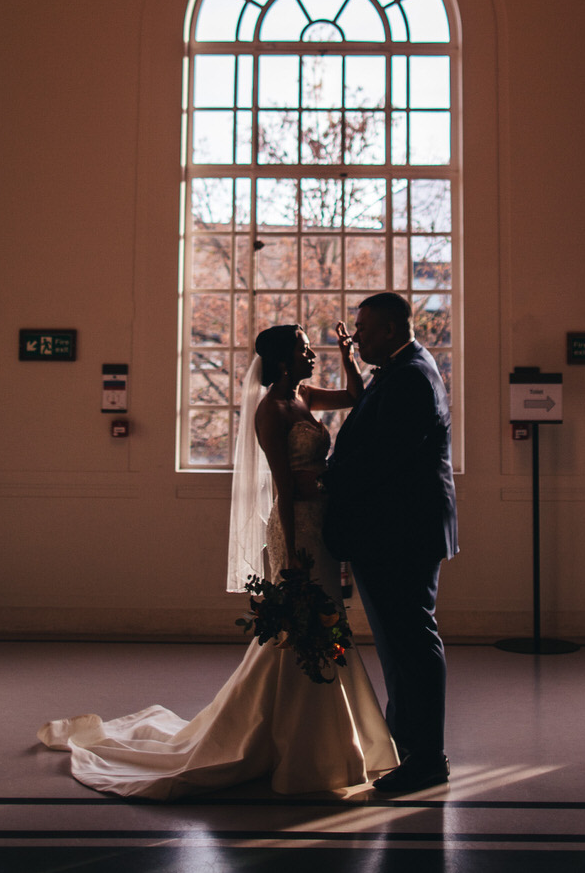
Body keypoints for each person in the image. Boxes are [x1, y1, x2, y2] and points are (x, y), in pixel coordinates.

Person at [36, 324, 397, 798]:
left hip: (325, 526)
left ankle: (331, 732)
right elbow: (283, 488)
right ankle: (300, 737)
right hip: (298, 529)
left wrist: (348, 356)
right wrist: (291, 555)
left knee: (328, 621)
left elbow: (353, 395)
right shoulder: (271, 411)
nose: (312, 355)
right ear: (283, 360)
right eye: (304, 349)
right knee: (302, 623)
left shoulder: (307, 394)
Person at [322, 292, 458, 795]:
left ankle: (425, 759)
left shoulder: (410, 378)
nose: (355, 337)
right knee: (400, 647)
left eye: (364, 328)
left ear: (392, 330)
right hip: (394, 530)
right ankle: (408, 748)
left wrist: (324, 481)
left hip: (399, 533)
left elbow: (381, 461)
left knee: (411, 646)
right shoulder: (405, 370)